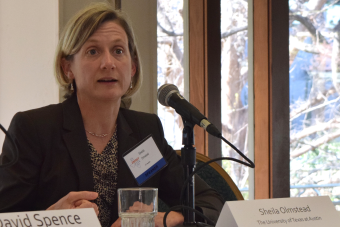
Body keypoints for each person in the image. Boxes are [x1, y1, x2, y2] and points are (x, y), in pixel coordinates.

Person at [0, 2, 223, 227]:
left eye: (118, 51)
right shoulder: (33, 129)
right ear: (68, 68)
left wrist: (173, 218)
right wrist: (52, 218)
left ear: (133, 67)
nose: (108, 63)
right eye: (93, 51)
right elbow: (4, 216)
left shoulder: (145, 131)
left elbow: (212, 202)